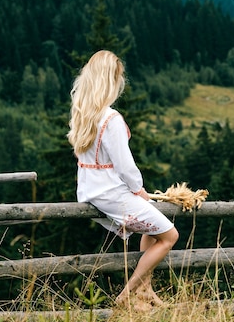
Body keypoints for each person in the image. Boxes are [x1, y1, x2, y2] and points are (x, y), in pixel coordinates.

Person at [67, 50, 179, 310]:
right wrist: (138, 189)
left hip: (89, 189)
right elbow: (125, 166)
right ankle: (127, 294)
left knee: (151, 229)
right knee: (170, 235)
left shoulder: (84, 113)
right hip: (110, 192)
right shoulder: (111, 119)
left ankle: (146, 292)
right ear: (111, 80)